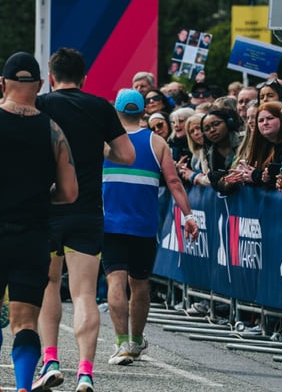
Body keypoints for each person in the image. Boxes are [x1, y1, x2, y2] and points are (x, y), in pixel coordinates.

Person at [0, 52, 77, 392]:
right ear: (40, 85)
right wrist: (38, 194)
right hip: (33, 233)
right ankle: (22, 385)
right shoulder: (53, 131)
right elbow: (69, 192)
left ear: (3, 83)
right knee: (24, 320)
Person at [33, 48, 135, 392]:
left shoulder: (41, 104)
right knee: (84, 295)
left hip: (45, 210)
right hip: (87, 210)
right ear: (85, 77)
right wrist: (98, 148)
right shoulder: (100, 107)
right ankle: (86, 372)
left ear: (50, 76)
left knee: (48, 286)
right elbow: (126, 154)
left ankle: (50, 360)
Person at [103, 89, 199, 366]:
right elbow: (175, 183)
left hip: (109, 223)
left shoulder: (104, 143)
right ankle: (135, 341)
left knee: (116, 282)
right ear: (143, 111)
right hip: (143, 225)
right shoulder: (157, 142)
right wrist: (189, 216)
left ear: (116, 112)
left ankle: (121, 344)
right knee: (140, 283)